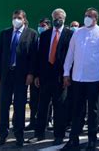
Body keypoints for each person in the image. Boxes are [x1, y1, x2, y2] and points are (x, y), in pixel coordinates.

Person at [62, 8, 99, 151]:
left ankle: (91, 141)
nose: (87, 18)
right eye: (85, 15)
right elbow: (70, 54)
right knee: (77, 109)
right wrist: (66, 73)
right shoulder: (77, 33)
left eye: (90, 16)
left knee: (93, 111)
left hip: (94, 79)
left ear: (96, 18)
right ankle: (73, 139)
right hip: (78, 78)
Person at [0, 10, 38, 147]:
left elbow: (33, 57)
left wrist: (31, 73)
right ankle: (2, 133)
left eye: (19, 18)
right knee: (3, 105)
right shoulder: (5, 33)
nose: (16, 20)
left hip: (21, 76)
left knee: (19, 106)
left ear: (24, 19)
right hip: (6, 75)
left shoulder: (32, 34)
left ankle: (19, 135)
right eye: (14, 18)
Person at [32, 9, 73, 145]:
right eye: (55, 17)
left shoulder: (70, 35)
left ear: (64, 19)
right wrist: (37, 74)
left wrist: (68, 75)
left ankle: (59, 135)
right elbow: (39, 56)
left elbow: (72, 57)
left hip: (61, 77)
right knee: (42, 105)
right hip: (45, 76)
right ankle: (39, 133)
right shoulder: (45, 35)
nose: (57, 19)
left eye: (60, 17)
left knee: (59, 106)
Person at [26, 18, 52, 132]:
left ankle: (47, 121)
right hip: (35, 75)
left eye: (44, 25)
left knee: (46, 101)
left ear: (48, 26)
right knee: (33, 100)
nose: (41, 27)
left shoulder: (49, 39)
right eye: (40, 25)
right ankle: (32, 121)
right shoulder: (35, 38)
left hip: (46, 76)